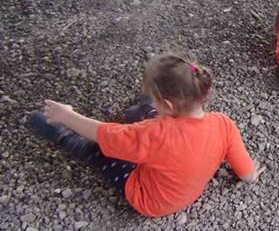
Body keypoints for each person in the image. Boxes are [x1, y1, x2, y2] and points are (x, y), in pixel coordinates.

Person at [26, 54, 262, 218]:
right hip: (185, 192)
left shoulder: (155, 134)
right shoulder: (224, 124)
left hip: (149, 199)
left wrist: (67, 116)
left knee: (97, 151)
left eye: (157, 99)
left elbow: (104, 134)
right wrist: (251, 175)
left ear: (168, 104)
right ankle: (144, 107)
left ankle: (64, 138)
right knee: (147, 122)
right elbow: (246, 172)